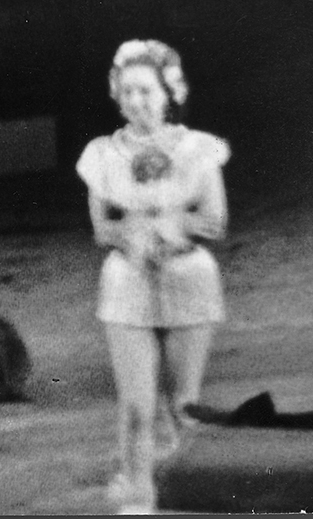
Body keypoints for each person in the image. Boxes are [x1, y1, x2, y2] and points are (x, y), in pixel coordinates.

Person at [77, 39, 230, 517]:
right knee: (137, 406)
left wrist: (172, 228)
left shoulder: (197, 149)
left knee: (185, 404)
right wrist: (132, 237)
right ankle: (139, 495)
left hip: (190, 279)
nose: (136, 101)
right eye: (127, 92)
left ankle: (192, 494)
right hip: (128, 283)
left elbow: (215, 220)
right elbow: (103, 226)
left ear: (169, 92)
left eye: (146, 91)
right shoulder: (103, 154)